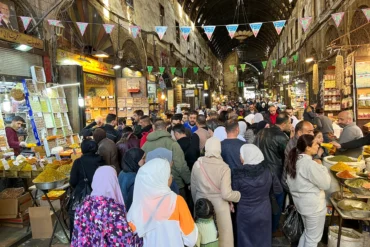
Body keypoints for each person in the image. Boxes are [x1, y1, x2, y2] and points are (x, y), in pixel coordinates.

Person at [127, 158, 198, 247]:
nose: (171, 177)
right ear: (160, 179)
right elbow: (190, 240)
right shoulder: (176, 201)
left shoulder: (138, 206)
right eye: (168, 174)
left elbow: (131, 236)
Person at [72, 166, 142, 246]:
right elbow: (125, 243)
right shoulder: (113, 210)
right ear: (113, 182)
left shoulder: (83, 205)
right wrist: (140, 236)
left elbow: (76, 238)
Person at [191, 137, 241, 247]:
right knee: (223, 237)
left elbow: (194, 188)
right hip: (220, 206)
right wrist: (238, 195)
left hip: (202, 203)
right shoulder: (224, 167)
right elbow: (226, 194)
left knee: (203, 237)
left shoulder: (197, 164)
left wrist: (198, 204)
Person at [233, 144, 282, 247]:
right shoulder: (269, 170)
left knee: (245, 239)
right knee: (263, 239)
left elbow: (234, 193)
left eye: (241, 154)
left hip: (244, 213)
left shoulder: (237, 174)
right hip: (264, 210)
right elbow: (278, 189)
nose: (240, 157)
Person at [287, 135, 331, 247]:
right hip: (313, 207)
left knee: (308, 233)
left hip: (302, 205)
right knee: (313, 239)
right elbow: (326, 184)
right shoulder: (310, 164)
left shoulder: (294, 161)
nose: (318, 145)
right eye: (316, 143)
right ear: (308, 147)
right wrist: (321, 167)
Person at [254, 112, 291, 234]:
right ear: (284, 123)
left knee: (263, 201)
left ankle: (263, 226)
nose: (290, 125)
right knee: (276, 201)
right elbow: (287, 156)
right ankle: (273, 228)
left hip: (259, 171)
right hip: (275, 174)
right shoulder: (282, 137)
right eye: (289, 123)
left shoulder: (261, 133)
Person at [142, 119, 191, 199]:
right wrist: (188, 181)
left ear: (154, 129)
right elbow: (181, 166)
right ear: (165, 128)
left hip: (153, 183)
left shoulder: (145, 145)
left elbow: (142, 163)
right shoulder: (173, 144)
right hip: (174, 183)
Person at [69, 139, 105, 237]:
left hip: (83, 196)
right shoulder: (101, 160)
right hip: (100, 196)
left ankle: (81, 239)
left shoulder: (78, 162)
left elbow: (73, 181)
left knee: (81, 220)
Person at [281, 121, 314, 191]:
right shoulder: (296, 147)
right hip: (293, 185)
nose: (312, 134)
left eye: (312, 131)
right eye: (309, 132)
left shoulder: (300, 142)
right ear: (299, 133)